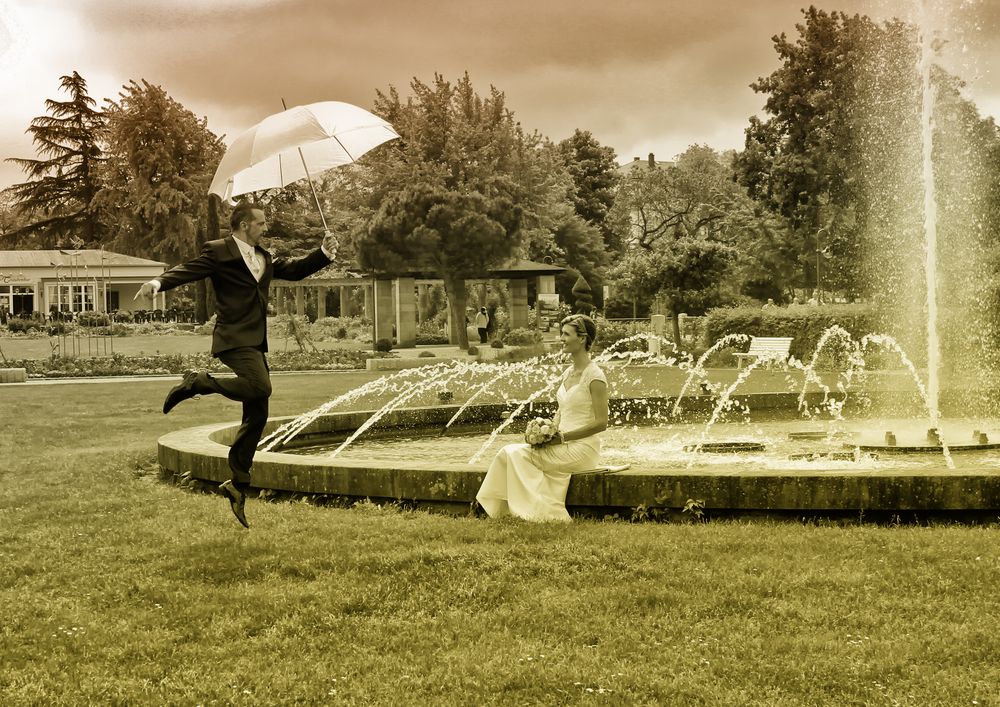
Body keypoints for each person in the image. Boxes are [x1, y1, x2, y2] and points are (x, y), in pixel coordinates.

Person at [134, 201, 337, 528]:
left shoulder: (264, 257)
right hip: (232, 339)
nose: (265, 228)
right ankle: (198, 383)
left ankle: (238, 483)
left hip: (255, 342)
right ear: (243, 225)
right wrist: (157, 284)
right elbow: (188, 270)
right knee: (261, 387)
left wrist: (323, 253)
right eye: (260, 223)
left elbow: (295, 271)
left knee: (259, 411)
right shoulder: (218, 252)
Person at [476, 314, 608, 521]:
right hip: (561, 444)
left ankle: (537, 512)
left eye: (566, 334)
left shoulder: (595, 377)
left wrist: (562, 438)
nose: (561, 339)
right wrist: (546, 432)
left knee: (515, 454)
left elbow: (602, 423)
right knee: (509, 452)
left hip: (583, 449)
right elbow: (562, 411)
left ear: (582, 339)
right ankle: (507, 508)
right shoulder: (568, 373)